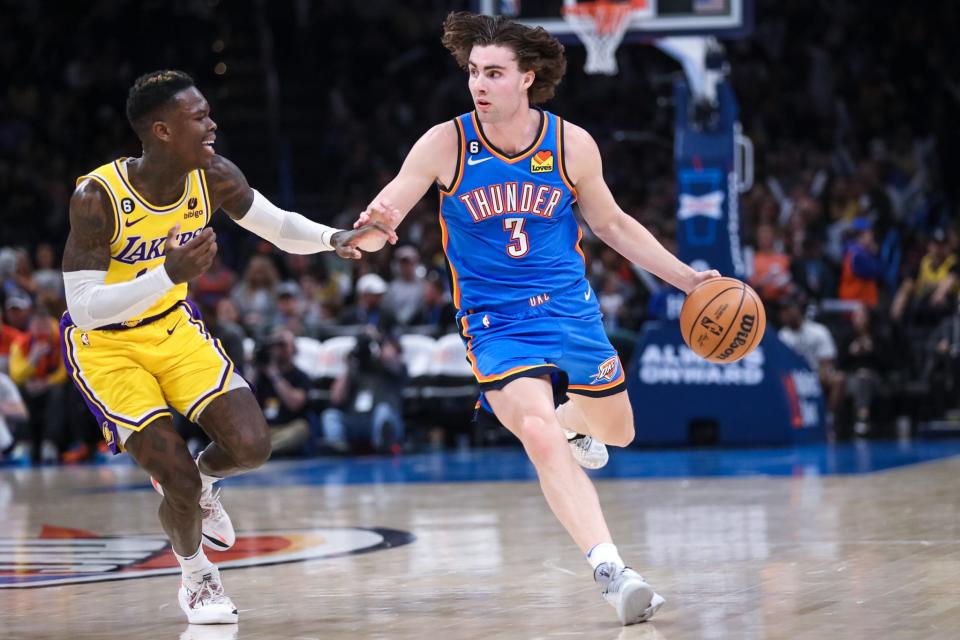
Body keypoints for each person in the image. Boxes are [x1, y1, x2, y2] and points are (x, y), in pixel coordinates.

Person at [354, 12, 719, 625]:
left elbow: (613, 225)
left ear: (527, 77)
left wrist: (687, 279)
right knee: (537, 431)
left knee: (619, 432)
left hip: (571, 313)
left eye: (493, 73)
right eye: (473, 72)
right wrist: (365, 229)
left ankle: (574, 421)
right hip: (496, 325)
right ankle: (612, 571)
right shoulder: (446, 142)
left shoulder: (570, 143)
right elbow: (392, 200)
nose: (479, 84)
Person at [59, 70, 396, 624]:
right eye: (199, 117)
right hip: (106, 348)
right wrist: (167, 273)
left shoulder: (212, 175)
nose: (212, 124)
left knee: (252, 446)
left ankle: (208, 480)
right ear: (162, 131)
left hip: (173, 328)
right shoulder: (97, 197)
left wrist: (333, 239)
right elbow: (84, 306)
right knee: (177, 480)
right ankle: (197, 578)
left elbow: (277, 224)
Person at [250, 328, 314, 456]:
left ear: (294, 349)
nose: (279, 349)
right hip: (263, 429)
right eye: (276, 345)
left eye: (283, 345)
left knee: (302, 428)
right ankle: (259, 451)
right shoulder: (260, 374)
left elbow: (294, 404)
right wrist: (254, 367)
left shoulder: (301, 376)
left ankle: (260, 453)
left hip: (286, 427)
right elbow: (244, 401)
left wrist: (274, 375)